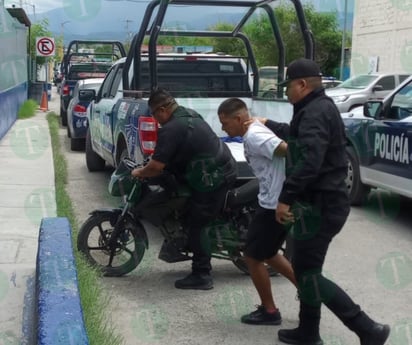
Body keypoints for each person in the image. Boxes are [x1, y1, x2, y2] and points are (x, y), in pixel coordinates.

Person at [258, 58, 390, 344]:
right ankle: (308, 331)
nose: (286, 93)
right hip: (321, 204)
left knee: (308, 274)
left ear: (302, 84)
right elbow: (300, 139)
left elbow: (309, 161)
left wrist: (285, 198)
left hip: (321, 206)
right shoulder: (316, 108)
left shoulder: (314, 112)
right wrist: (269, 124)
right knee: (307, 269)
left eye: (288, 87)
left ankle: (367, 328)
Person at [132, 88, 237, 290]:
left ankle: (202, 274)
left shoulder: (172, 128)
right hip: (214, 168)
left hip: (213, 178)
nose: (155, 119)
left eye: (154, 114)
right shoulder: (187, 114)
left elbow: (155, 167)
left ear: (162, 109)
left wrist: (140, 172)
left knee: (197, 222)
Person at [217, 98, 297, 326]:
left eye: (225, 123)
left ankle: (270, 311)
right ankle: (307, 290)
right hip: (270, 201)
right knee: (269, 253)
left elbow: (288, 151)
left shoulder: (255, 135)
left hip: (274, 204)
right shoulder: (254, 130)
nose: (223, 128)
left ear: (239, 119)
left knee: (252, 257)